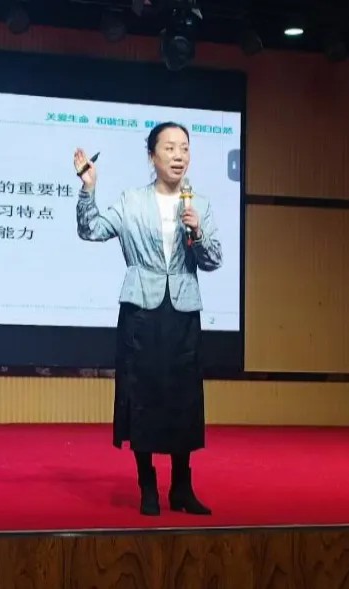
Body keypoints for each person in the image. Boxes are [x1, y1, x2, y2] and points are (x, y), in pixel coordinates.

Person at [73, 122, 222, 517]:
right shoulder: (131, 201)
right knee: (142, 396)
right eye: (169, 148)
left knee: (183, 398)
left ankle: (182, 487)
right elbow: (90, 230)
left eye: (184, 148)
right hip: (141, 311)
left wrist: (198, 231)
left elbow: (213, 260)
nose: (178, 155)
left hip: (183, 312)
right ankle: (147, 485)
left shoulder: (199, 204)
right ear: (152, 156)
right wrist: (89, 188)